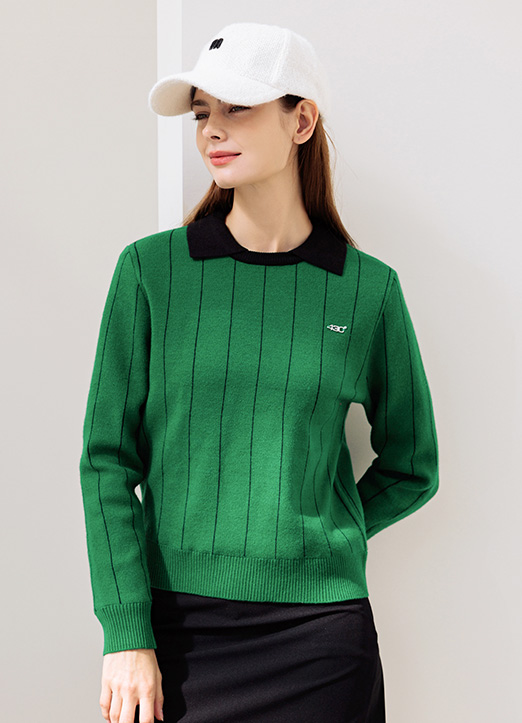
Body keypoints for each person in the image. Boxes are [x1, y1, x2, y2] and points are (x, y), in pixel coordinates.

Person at [79, 21, 439, 723]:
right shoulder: (151, 272)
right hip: (173, 632)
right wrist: (125, 630)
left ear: (301, 121)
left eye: (238, 107)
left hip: (321, 644)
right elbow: (105, 463)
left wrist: (321, 536)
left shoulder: (367, 291)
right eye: (202, 113)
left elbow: (413, 464)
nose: (212, 129)